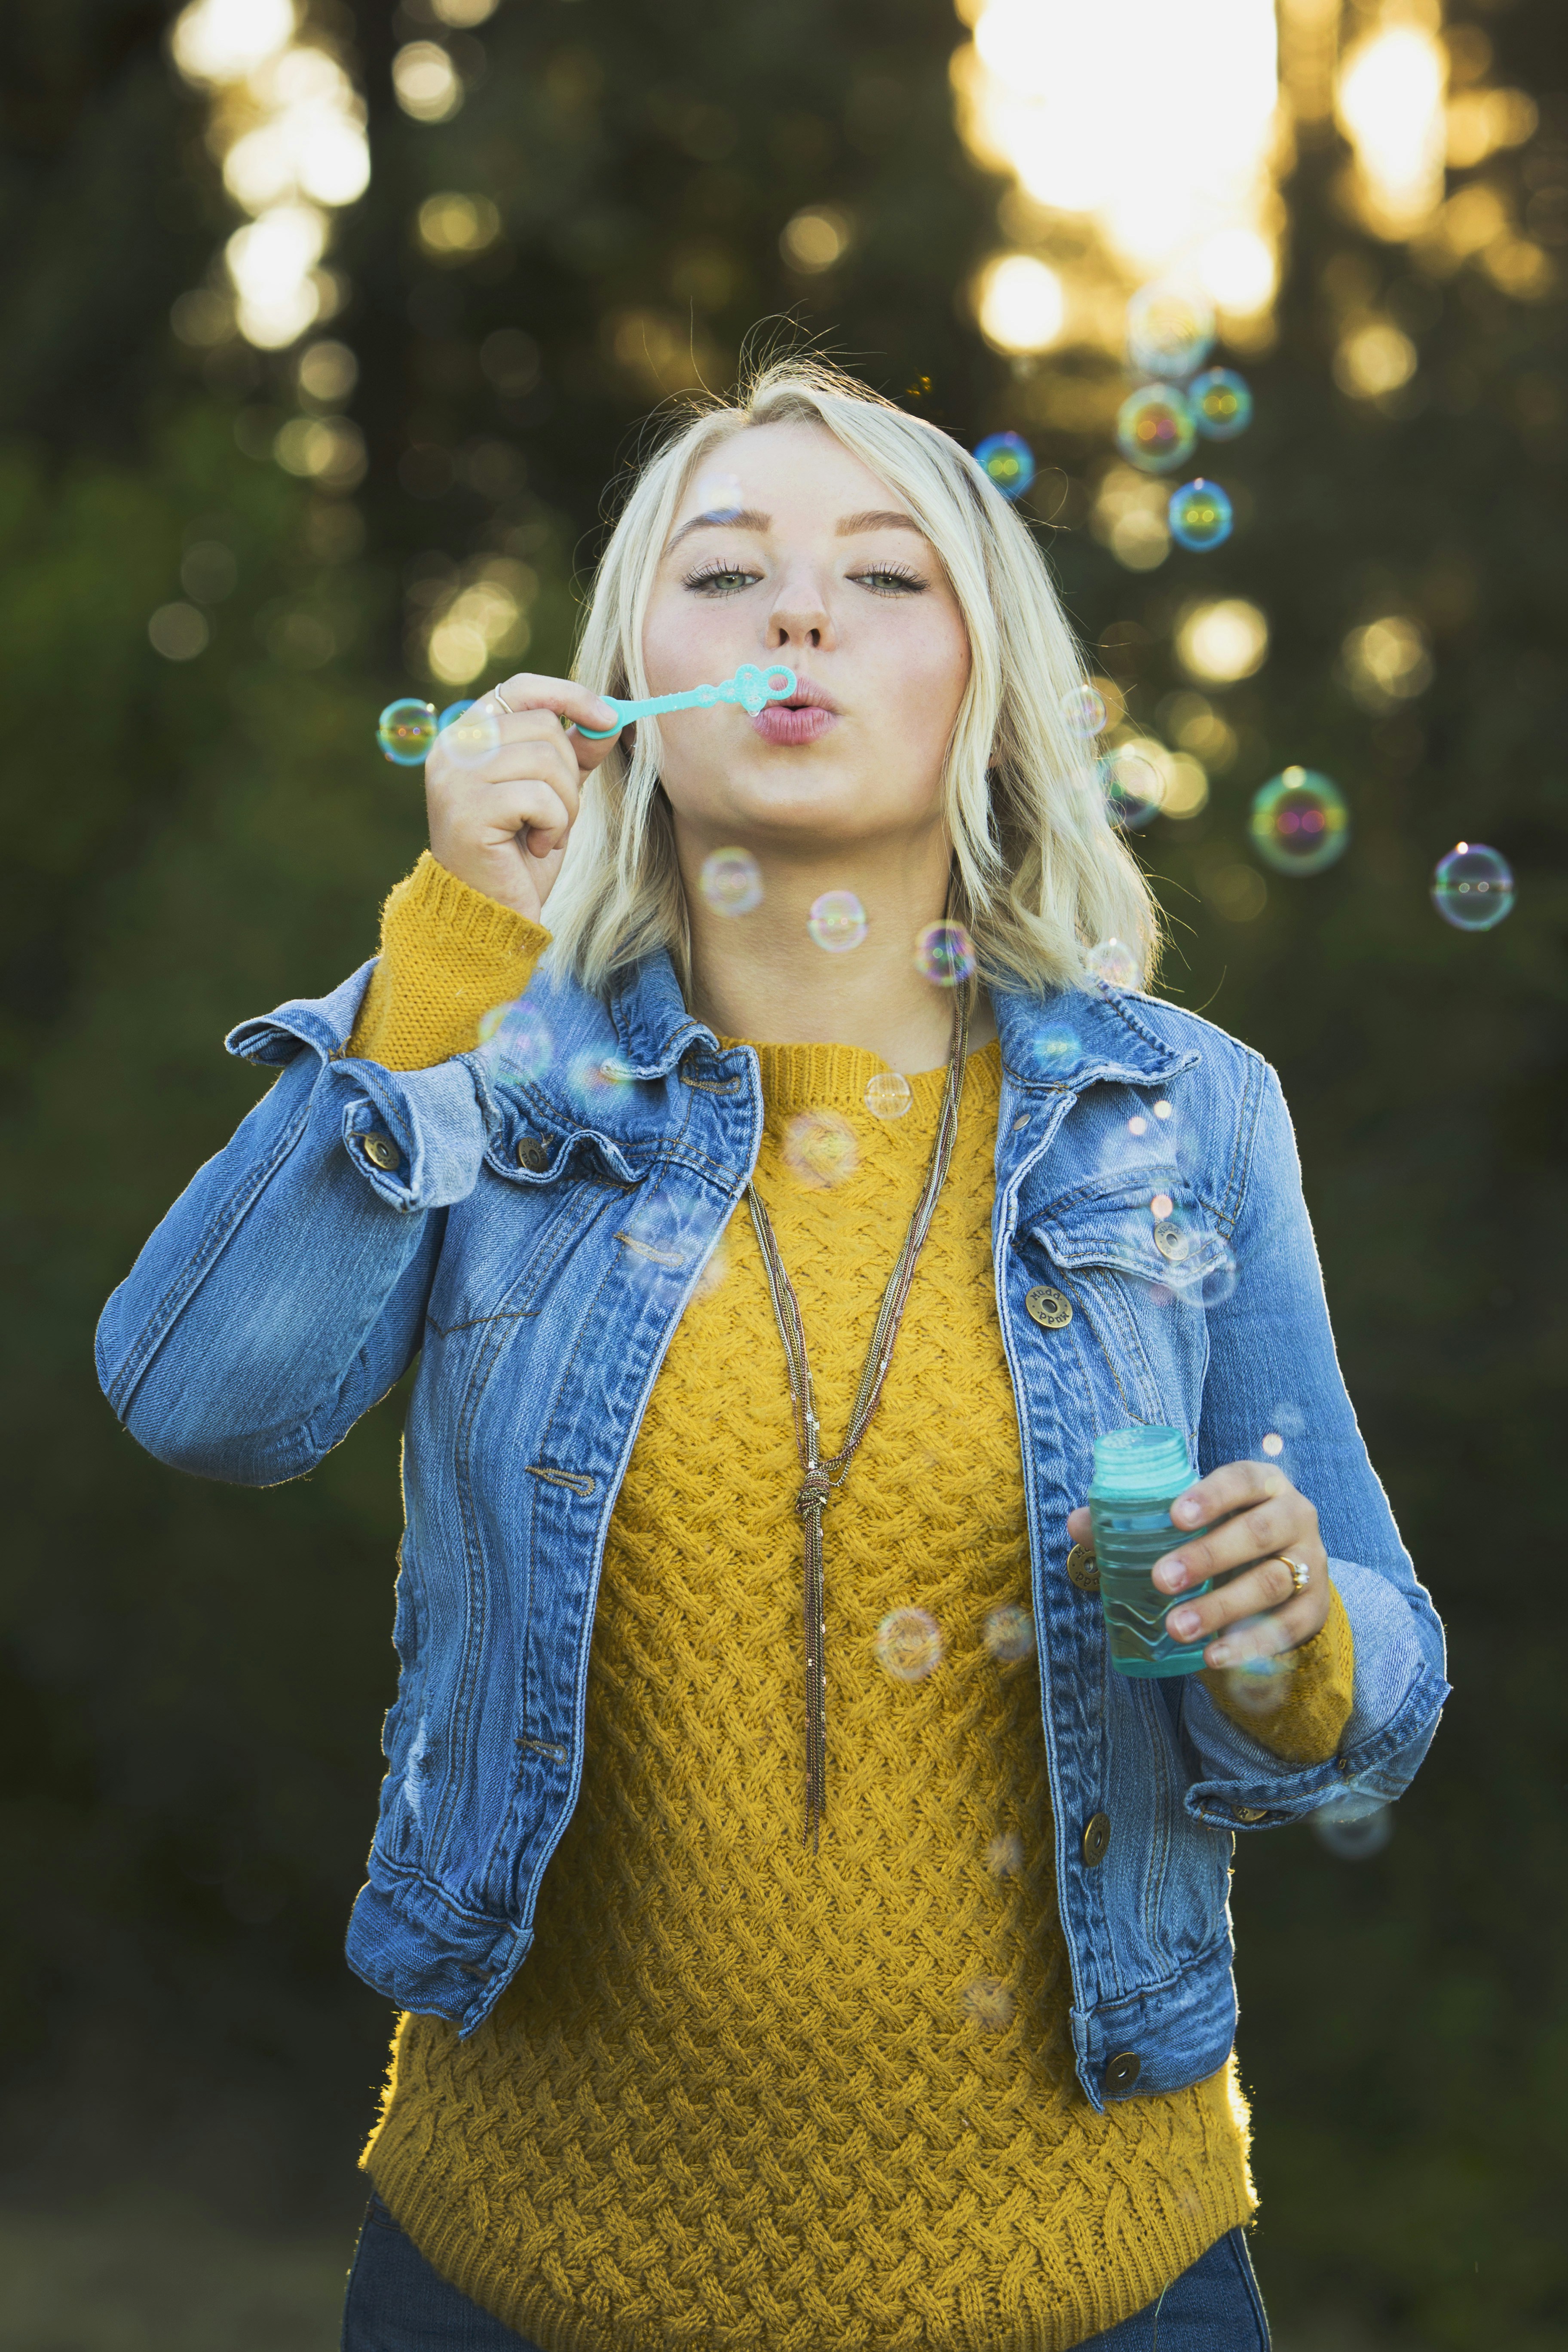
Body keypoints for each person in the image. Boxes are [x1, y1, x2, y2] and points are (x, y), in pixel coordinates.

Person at [97, 356, 1448, 2351]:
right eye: (726, 574)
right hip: (513, 2279)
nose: (799, 615)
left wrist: (1296, 1641)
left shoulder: (1184, 1112)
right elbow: (201, 1395)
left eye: (884, 580)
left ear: (988, 692)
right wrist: (456, 954)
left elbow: (1388, 1653)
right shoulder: (503, 1075)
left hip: (1098, 2280)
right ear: (624, 683)